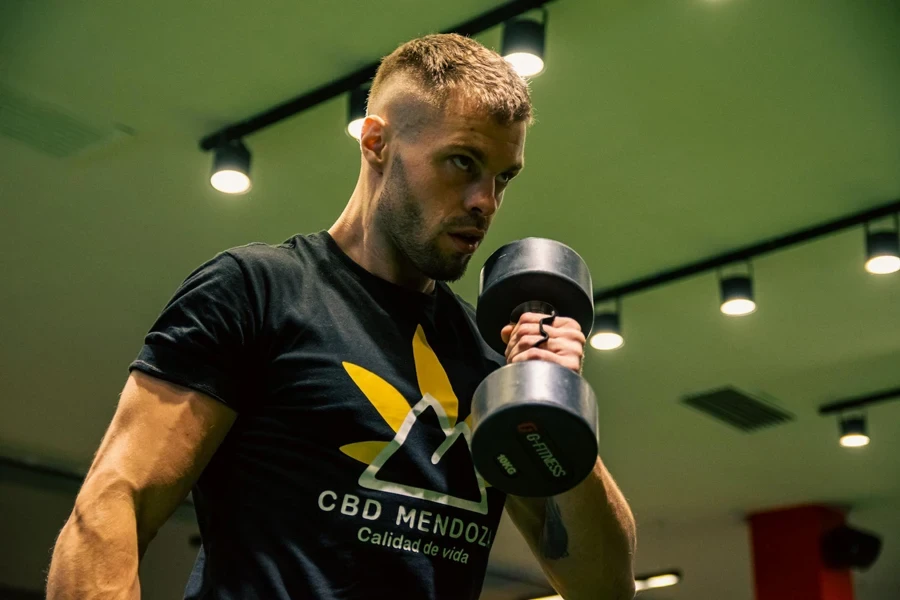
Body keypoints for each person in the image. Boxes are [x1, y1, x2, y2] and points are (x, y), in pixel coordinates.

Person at [46, 33, 636, 600]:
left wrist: (554, 401)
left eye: (502, 177)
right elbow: (113, 503)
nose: (486, 201)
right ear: (376, 142)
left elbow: (603, 587)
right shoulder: (257, 292)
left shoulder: (490, 367)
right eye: (462, 162)